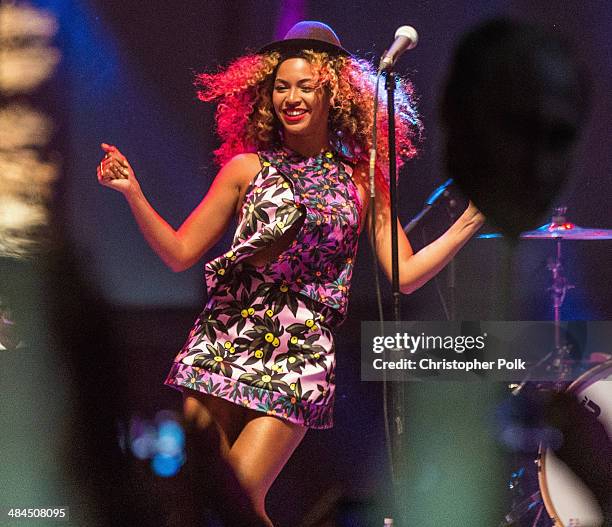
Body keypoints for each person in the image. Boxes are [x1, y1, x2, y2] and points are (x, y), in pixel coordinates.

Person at [97, 20, 484, 526]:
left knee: (239, 501)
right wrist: (133, 193)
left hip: (298, 352)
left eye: (305, 86)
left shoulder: (362, 177)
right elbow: (179, 252)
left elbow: (404, 274)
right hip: (223, 339)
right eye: (282, 86)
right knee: (190, 503)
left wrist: (470, 222)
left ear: (335, 94)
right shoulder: (245, 168)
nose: (291, 97)